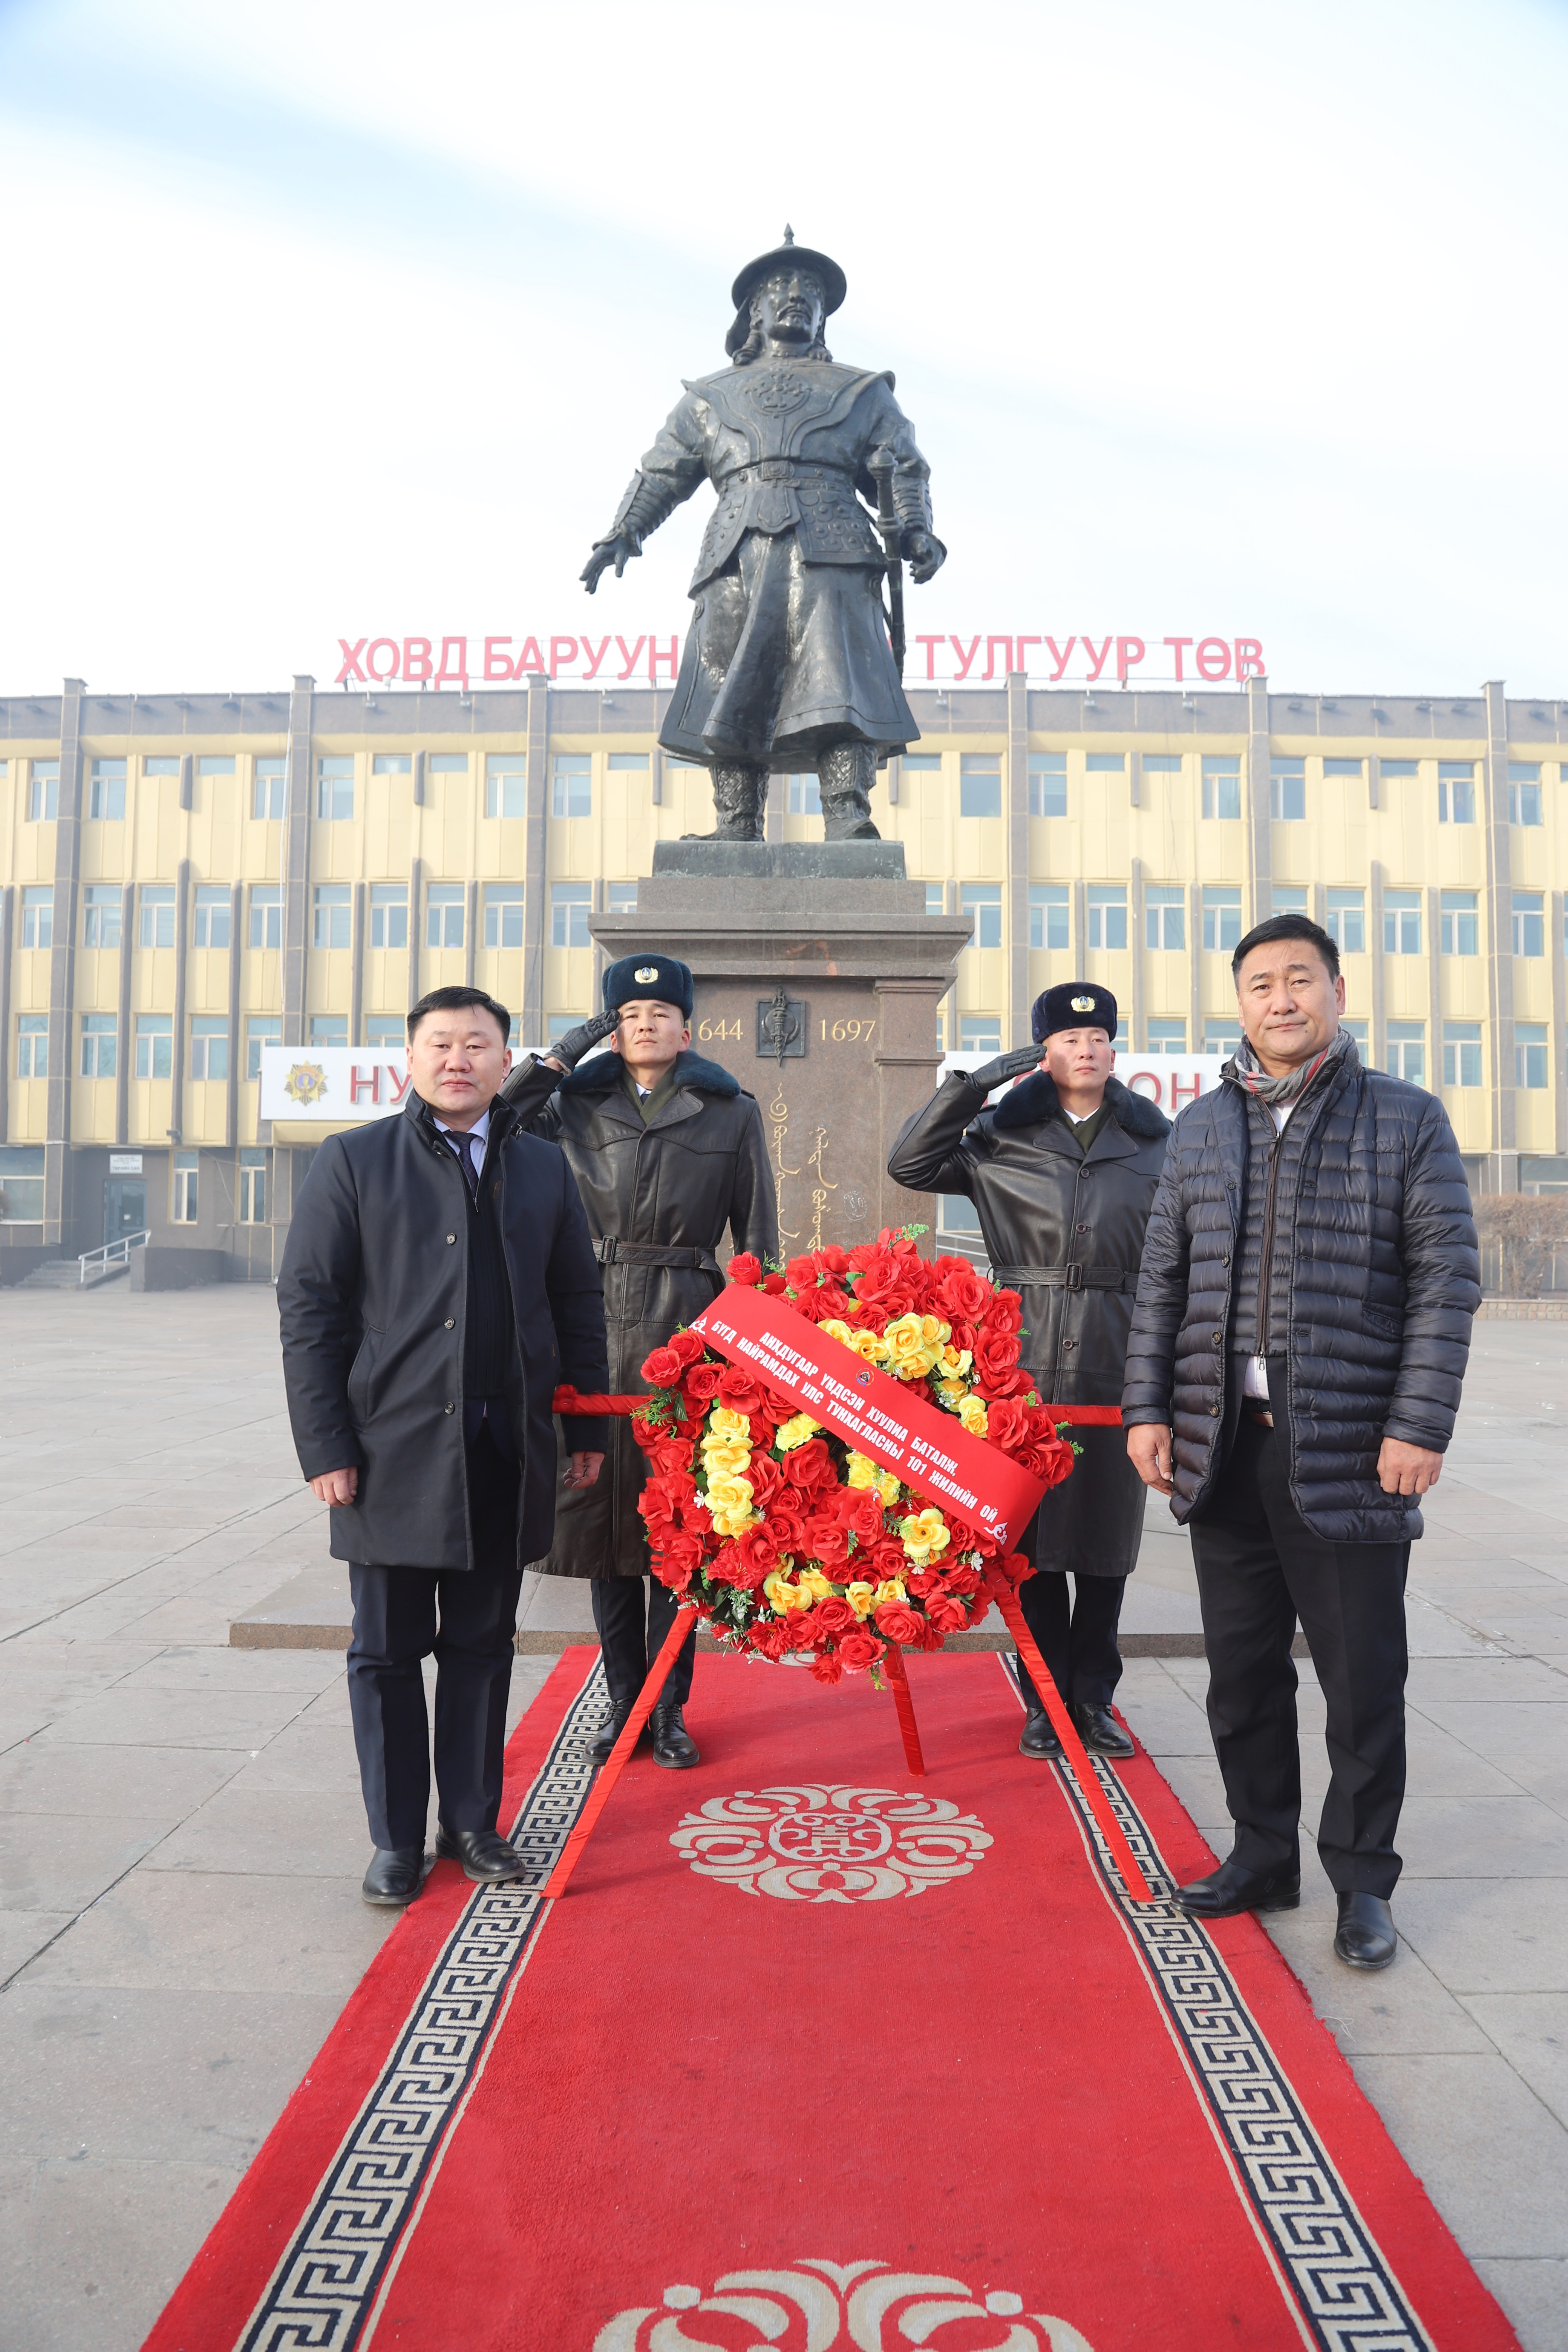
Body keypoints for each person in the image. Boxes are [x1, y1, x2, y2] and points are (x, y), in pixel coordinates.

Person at [1122, 914, 1480, 1971]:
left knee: (1360, 1683)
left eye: (1298, 979)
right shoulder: (1201, 1128)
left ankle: (1363, 1884)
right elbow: (1162, 1281)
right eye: (1259, 984)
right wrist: (1149, 1409)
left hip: (1350, 1447)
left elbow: (1445, 1282)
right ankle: (1261, 1855)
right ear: (1239, 1003)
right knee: (1240, 1675)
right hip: (1224, 1448)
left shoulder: (1404, 1118)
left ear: (1336, 991)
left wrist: (1417, 1424)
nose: (1280, 1000)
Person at [277, 985, 609, 1909]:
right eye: (440, 1044)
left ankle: (471, 1823)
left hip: (504, 1447)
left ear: (506, 1061)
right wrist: (325, 1446)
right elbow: (309, 1310)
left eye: (476, 1044)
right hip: (390, 1451)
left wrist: (585, 1425)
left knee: (481, 1646)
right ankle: (395, 1840)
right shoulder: (354, 1160)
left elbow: (577, 1303)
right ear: (411, 1060)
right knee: (385, 1652)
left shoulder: (542, 1166)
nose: (457, 1060)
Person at [580, 228, 945, 842]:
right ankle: (736, 822)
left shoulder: (862, 391)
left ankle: (847, 813)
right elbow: (663, 471)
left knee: (840, 681)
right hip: (736, 550)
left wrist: (915, 531)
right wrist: (623, 532)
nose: (797, 294)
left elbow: (903, 467)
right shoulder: (710, 398)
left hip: (832, 546)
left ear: (824, 312)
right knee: (731, 682)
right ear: (755, 310)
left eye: (811, 288)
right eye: (781, 285)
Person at [502, 954, 776, 1766]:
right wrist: (565, 1054)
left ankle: (668, 1709)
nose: (645, 1024)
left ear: (687, 1030)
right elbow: (499, 1123)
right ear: (610, 1030)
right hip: (584, 1320)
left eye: (661, 1014)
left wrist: (753, 1352)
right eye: (628, 1015)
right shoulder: (570, 1105)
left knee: (678, 1532)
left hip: (687, 1330)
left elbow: (758, 1239)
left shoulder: (730, 1111)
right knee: (604, 1533)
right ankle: (625, 1704)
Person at [888, 984, 1171, 1758]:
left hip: (1119, 1346)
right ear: (1042, 1053)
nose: (1086, 1048)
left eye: (1098, 1036)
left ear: (1114, 1050)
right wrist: (972, 1087)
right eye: (1069, 1038)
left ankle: (1094, 1698)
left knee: (1108, 1538)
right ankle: (1047, 1698)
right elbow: (909, 1162)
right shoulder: (998, 1136)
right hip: (1019, 1351)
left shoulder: (1155, 1141)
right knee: (1031, 1540)